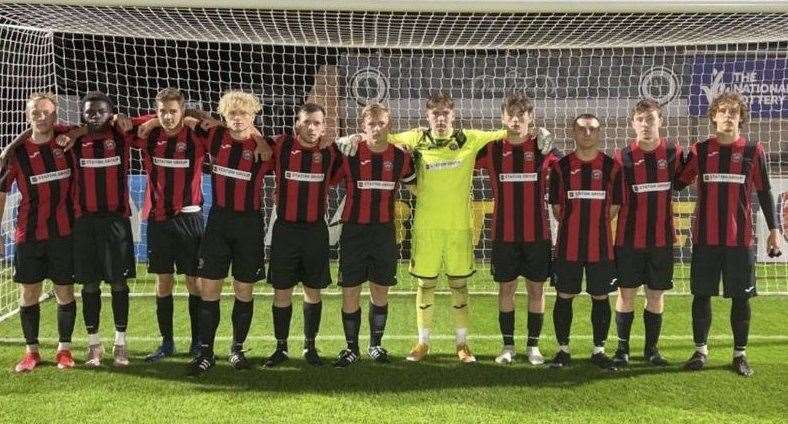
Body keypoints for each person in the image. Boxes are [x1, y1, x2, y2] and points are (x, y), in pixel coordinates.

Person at [676, 92, 782, 377]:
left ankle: (739, 354)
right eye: (721, 111)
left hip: (740, 239)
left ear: (740, 118)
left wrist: (774, 230)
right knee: (702, 295)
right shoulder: (700, 150)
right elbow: (678, 182)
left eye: (732, 112)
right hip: (705, 239)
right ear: (713, 116)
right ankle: (700, 350)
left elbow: (764, 191)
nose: (727, 116)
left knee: (741, 297)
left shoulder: (752, 151)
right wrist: (675, 157)